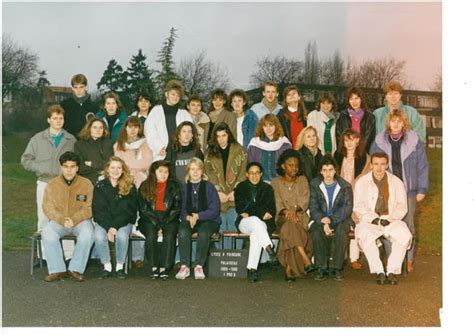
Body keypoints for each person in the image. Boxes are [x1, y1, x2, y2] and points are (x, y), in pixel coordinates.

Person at [370, 109, 429, 272]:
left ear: (404, 123)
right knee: (389, 223)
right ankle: (392, 259)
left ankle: (408, 259)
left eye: (399, 121)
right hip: (388, 189)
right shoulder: (379, 141)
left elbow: (423, 166)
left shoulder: (414, 140)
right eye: (393, 121)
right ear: (388, 122)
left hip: (409, 190)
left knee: (408, 224)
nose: (396, 124)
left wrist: (422, 189)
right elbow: (373, 165)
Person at [21, 104, 76, 259]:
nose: (58, 121)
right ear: (48, 120)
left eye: (61, 118)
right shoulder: (37, 139)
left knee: (66, 217)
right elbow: (25, 160)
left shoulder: (70, 139)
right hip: (44, 183)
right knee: (44, 217)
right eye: (54, 118)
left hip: (65, 184)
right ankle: (45, 255)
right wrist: (40, 167)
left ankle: (68, 255)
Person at [353, 152, 412, 285]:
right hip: (370, 221)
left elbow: (402, 206)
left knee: (404, 235)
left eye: (382, 164)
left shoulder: (396, 182)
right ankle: (379, 271)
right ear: (371, 165)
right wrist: (371, 218)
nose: (379, 168)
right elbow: (358, 206)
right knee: (364, 235)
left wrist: (391, 218)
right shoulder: (362, 182)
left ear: (387, 165)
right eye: (376, 164)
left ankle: (391, 271)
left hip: (390, 220)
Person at [41, 151, 94, 282]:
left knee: (88, 233)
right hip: (60, 221)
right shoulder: (52, 185)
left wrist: (74, 219)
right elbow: (47, 207)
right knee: (47, 231)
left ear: (77, 168)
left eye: (72, 167)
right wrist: (61, 219)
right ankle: (57, 269)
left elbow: (89, 207)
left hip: (80, 221)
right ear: (61, 167)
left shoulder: (86, 184)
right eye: (66, 166)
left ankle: (75, 269)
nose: (69, 170)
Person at [114, 116, 153, 268]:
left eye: (136, 127)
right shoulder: (119, 145)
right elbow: (118, 164)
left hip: (141, 183)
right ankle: (123, 257)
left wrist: (132, 167)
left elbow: (147, 162)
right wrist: (134, 167)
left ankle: (138, 256)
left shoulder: (144, 144)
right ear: (125, 128)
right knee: (125, 216)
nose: (133, 130)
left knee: (140, 216)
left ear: (139, 128)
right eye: (130, 127)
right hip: (123, 183)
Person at [271, 149, 314, 282]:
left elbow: (304, 200)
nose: (294, 168)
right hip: (282, 218)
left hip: (300, 217)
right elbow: (277, 202)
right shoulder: (275, 183)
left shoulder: (302, 180)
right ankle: (305, 258)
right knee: (289, 224)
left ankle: (289, 268)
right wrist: (287, 212)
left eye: (296, 165)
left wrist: (294, 210)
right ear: (283, 166)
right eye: (290, 165)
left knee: (290, 228)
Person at [92, 157, 138, 279]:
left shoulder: (130, 187)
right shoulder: (100, 186)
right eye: (112, 167)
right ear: (107, 169)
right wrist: (108, 227)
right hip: (104, 222)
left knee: (122, 236)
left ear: (123, 170)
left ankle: (119, 266)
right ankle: (106, 266)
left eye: (119, 167)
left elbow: (129, 211)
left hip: (123, 222)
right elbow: (98, 210)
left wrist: (114, 227)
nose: (115, 170)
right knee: (98, 235)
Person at [309, 155, 353, 281]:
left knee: (341, 232)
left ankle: (336, 268)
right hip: (320, 219)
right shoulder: (314, 184)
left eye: (330, 170)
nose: (328, 173)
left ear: (335, 170)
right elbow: (313, 206)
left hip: (339, 219)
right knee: (317, 232)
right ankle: (321, 268)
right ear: (321, 171)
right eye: (325, 170)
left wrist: (331, 220)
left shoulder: (345, 186)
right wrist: (322, 220)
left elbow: (346, 208)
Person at [175, 158, 220, 280]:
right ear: (188, 171)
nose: (195, 172)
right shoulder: (184, 188)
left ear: (202, 171)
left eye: (198, 169)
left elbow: (215, 209)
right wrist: (188, 217)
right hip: (189, 220)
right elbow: (181, 208)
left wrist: (199, 216)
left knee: (204, 232)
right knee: (183, 232)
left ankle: (199, 265)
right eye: (192, 169)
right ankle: (185, 266)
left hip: (209, 220)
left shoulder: (209, 187)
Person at [204, 122, 247, 249]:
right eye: (218, 136)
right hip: (217, 197)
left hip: (235, 196)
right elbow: (208, 174)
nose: (221, 139)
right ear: (214, 138)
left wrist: (235, 191)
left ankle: (235, 255)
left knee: (234, 223)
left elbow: (243, 173)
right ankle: (223, 257)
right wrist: (217, 192)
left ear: (229, 135)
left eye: (224, 135)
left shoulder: (240, 151)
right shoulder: (209, 153)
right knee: (220, 225)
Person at [234, 162, 278, 282]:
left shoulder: (267, 188)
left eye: (257, 173)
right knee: (254, 220)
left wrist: (252, 210)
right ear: (247, 174)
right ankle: (269, 248)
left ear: (261, 174)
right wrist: (260, 212)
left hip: (261, 225)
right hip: (244, 223)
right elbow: (240, 207)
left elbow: (271, 210)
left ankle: (252, 269)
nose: (254, 176)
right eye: (251, 173)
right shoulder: (240, 187)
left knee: (255, 234)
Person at [334, 128, 371, 270]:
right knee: (342, 223)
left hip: (358, 195)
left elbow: (367, 178)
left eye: (352, 140)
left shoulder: (364, 158)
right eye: (346, 140)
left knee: (356, 223)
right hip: (340, 196)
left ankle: (354, 257)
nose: (349, 143)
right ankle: (341, 256)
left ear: (357, 141)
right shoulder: (337, 157)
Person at [138, 160, 182, 280]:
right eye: (160, 171)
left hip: (169, 218)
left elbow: (176, 208)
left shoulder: (174, 186)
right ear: (154, 172)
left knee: (169, 235)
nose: (163, 174)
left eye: (166, 172)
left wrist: (163, 225)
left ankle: (164, 268)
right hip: (149, 219)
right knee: (151, 234)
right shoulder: (144, 186)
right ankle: (153, 266)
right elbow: (143, 209)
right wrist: (157, 225)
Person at [144, 80, 192, 161]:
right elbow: (149, 132)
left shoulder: (184, 113)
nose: (175, 97)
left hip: (180, 154)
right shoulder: (156, 111)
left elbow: (191, 132)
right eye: (173, 94)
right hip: (162, 154)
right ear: (166, 94)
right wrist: (159, 147)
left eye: (178, 95)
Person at [247, 114, 292, 183]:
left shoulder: (284, 144)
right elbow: (250, 166)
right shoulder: (254, 144)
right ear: (261, 127)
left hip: (280, 183)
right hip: (260, 183)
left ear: (276, 126)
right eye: (265, 126)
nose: (268, 129)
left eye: (271, 125)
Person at [335, 87, 376, 154]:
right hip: (346, 153)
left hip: (363, 153)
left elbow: (369, 138)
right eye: (351, 99)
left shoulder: (370, 117)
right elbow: (339, 136)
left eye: (356, 98)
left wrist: (359, 151)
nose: (354, 102)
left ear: (361, 99)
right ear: (348, 101)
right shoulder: (343, 115)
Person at [74, 117, 114, 184]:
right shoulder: (79, 145)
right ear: (89, 129)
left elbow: (109, 164)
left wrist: (92, 163)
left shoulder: (109, 144)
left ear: (104, 130)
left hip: (105, 180)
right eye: (95, 127)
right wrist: (100, 168)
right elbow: (80, 167)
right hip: (85, 180)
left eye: (100, 128)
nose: (98, 130)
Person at [165, 121, 204, 185]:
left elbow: (202, 171)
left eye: (189, 132)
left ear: (192, 135)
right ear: (179, 135)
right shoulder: (171, 151)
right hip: (176, 189)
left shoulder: (197, 151)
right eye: (184, 131)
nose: (187, 134)